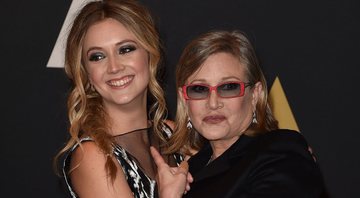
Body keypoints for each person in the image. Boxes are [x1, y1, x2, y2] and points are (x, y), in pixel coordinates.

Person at [152, 30, 326, 197]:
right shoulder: (188, 171)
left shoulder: (280, 152)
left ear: (255, 95)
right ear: (185, 99)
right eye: (199, 89)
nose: (213, 103)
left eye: (228, 87)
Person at [53, 0, 185, 197]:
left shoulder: (172, 134)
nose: (114, 67)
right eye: (97, 57)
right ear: (87, 74)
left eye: (125, 49)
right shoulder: (93, 157)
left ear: (150, 56)